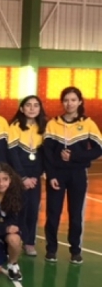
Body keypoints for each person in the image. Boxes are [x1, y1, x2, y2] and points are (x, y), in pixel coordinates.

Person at [42, 86, 102, 264]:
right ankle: (51, 250)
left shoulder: (88, 123)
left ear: (80, 102)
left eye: (73, 100)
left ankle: (75, 250)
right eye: (66, 100)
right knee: (53, 213)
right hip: (57, 175)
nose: (69, 103)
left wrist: (75, 156)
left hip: (78, 174)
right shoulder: (53, 124)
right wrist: (51, 175)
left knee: (75, 214)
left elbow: (98, 149)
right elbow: (47, 153)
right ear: (62, 102)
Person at [8, 95, 46, 257]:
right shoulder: (15, 126)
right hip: (18, 174)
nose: (32, 108)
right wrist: (22, 177)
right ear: (22, 109)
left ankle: (29, 242)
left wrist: (35, 176)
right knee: (18, 208)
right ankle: (15, 239)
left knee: (32, 209)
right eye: (28, 105)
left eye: (35, 105)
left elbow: (43, 154)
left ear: (40, 109)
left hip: (35, 176)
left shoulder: (43, 127)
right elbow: (12, 153)